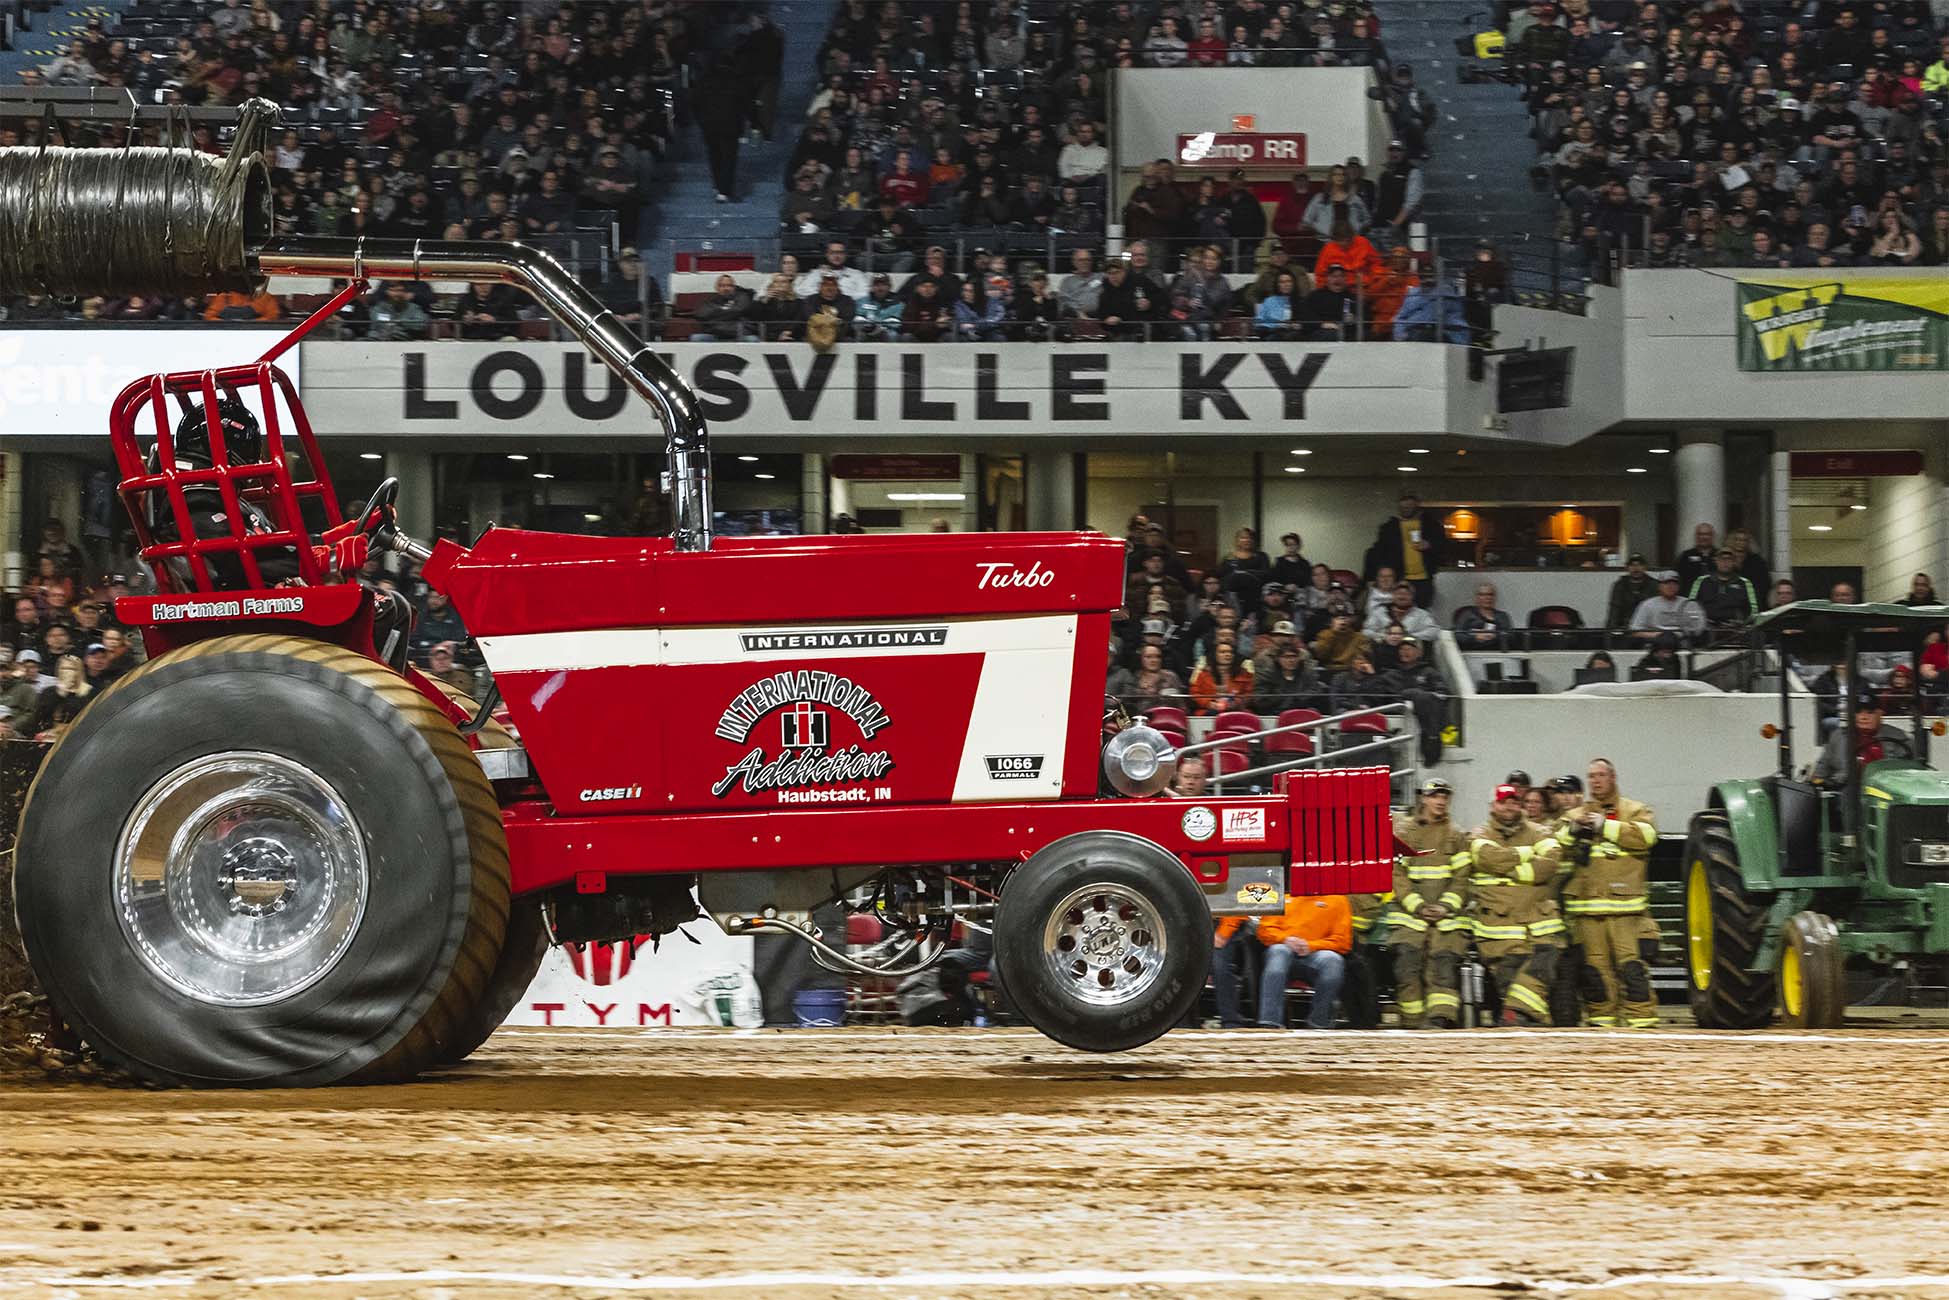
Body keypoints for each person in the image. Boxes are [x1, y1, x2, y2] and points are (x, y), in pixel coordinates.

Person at [1552, 758, 1659, 1028]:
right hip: (1587, 910)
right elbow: (1556, 841)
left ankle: (1642, 1027)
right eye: (1591, 776)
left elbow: (1646, 838)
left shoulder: (1634, 809)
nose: (1595, 781)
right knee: (1595, 976)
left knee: (1632, 971)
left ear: (1613, 777)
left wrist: (1605, 826)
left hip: (1625, 910)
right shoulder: (1577, 814)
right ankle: (1602, 1031)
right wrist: (1576, 830)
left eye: (1600, 775)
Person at [1467, 783, 1566, 1026]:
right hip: (1498, 930)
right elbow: (1488, 857)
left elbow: (1552, 861)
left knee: (1542, 968)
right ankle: (1523, 1023)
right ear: (1493, 806)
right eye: (1503, 801)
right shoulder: (1480, 833)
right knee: (1510, 984)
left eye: (1514, 801)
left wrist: (1512, 871)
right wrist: (1527, 854)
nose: (1509, 806)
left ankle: (1519, 1018)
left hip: (1538, 926)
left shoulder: (1539, 831)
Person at [1386, 778, 1472, 1028]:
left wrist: (1445, 907)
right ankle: (1412, 1025)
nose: (1440, 801)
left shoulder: (1457, 835)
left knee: (1444, 966)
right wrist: (1418, 906)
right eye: (1435, 796)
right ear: (1424, 798)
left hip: (1448, 920)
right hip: (1410, 919)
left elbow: (1462, 877)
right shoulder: (1404, 833)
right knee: (1407, 967)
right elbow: (1396, 875)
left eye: (1445, 796)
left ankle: (1440, 1022)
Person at [1212, 894, 1351, 1029]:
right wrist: (1285, 939)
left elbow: (1343, 941)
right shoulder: (1281, 896)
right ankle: (1269, 1023)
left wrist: (1311, 945)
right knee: (1279, 951)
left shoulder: (1338, 900)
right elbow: (1264, 930)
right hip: (1283, 948)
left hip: (1317, 953)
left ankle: (1319, 1023)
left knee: (1333, 960)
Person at [1814, 690, 1913, 788]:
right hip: (1845, 788)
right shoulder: (1838, 736)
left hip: (1886, 789)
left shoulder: (1897, 737)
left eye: (1870, 713)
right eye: (1858, 712)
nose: (1863, 717)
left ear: (1880, 714)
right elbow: (1822, 769)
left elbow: (1909, 772)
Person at [1375, 638, 1448, 766]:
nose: (1404, 652)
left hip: (1424, 712)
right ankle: (1433, 736)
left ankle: (1431, 736)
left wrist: (1420, 697)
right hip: (1398, 710)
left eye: (1409, 649)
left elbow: (1442, 693)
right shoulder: (1390, 674)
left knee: (1420, 696)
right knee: (1413, 693)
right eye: (1402, 649)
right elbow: (1378, 696)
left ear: (1419, 652)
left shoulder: (1429, 672)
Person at [1364, 490, 1442, 608]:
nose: (1406, 507)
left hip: (1424, 579)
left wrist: (1429, 545)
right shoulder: (1389, 528)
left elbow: (1443, 545)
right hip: (1399, 578)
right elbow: (1377, 552)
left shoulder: (1431, 525)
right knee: (1397, 611)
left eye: (1409, 505)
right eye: (1403, 505)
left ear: (1416, 504)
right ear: (1398, 506)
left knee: (1421, 613)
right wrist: (1371, 577)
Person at [1106, 643, 1185, 714]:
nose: (1154, 660)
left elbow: (1181, 704)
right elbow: (1129, 704)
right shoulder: (1135, 678)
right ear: (1141, 659)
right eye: (1148, 657)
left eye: (1157, 657)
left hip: (1168, 718)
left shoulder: (1171, 677)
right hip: (1141, 720)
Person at [1629, 571, 1706, 643]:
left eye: (1674, 583)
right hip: (1654, 643)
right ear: (1659, 586)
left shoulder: (1690, 604)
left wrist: (1681, 636)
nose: (1671, 586)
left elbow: (1699, 628)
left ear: (1679, 586)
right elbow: (1635, 631)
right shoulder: (1647, 604)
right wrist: (1659, 636)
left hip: (1683, 643)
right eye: (1666, 583)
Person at [1689, 548, 1759, 626]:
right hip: (1706, 627)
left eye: (1729, 560)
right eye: (1722, 559)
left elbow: (1754, 611)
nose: (1725, 563)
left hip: (1735, 629)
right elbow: (1690, 606)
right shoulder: (1701, 581)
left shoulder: (1745, 583)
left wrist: (1743, 623)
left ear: (1734, 562)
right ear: (1716, 561)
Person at [1189, 639, 1253, 716]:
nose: (1228, 654)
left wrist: (1235, 703)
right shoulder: (1202, 674)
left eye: (1230, 652)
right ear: (1215, 655)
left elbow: (1249, 694)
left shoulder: (1243, 673)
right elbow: (1195, 695)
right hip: (1208, 711)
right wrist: (1210, 703)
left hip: (1236, 709)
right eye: (1223, 652)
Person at [1364, 583, 1439, 641]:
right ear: (1393, 595)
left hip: (1410, 650)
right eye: (1399, 594)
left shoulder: (1422, 614)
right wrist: (1384, 636)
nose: (1402, 597)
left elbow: (1433, 632)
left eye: (1406, 594)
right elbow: (1366, 631)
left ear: (1412, 596)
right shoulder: (1379, 611)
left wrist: (1410, 636)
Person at [1453, 582, 1513, 649]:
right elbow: (1457, 635)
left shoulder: (1502, 616)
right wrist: (1475, 637)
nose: (1487, 598)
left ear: (1495, 597)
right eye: (1482, 595)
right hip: (1471, 654)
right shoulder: (1467, 615)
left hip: (1497, 654)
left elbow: (1510, 636)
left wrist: (1495, 636)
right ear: (1477, 598)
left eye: (1490, 594)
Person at [1606, 554, 1658, 628]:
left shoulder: (1654, 585)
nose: (1636, 568)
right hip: (1625, 626)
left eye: (1640, 565)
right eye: (1632, 565)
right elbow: (1614, 609)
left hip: (1647, 626)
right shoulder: (1620, 585)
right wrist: (1611, 630)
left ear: (1645, 567)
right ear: (1627, 568)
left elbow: (1658, 609)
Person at [1675, 522, 1718, 593]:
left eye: (1707, 534)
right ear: (1696, 536)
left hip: (1714, 598)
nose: (1704, 537)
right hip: (1690, 597)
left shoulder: (1719, 555)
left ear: (1712, 536)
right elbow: (1677, 577)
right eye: (1700, 534)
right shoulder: (1686, 555)